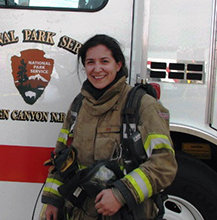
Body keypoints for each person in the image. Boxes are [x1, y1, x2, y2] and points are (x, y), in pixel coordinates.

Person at [41, 34, 177, 220]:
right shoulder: (79, 104)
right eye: (90, 62)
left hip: (126, 213)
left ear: (118, 64)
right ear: (85, 67)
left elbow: (164, 164)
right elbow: (62, 156)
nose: (97, 69)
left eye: (105, 61)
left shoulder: (142, 104)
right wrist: (53, 200)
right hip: (80, 212)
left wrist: (121, 194)